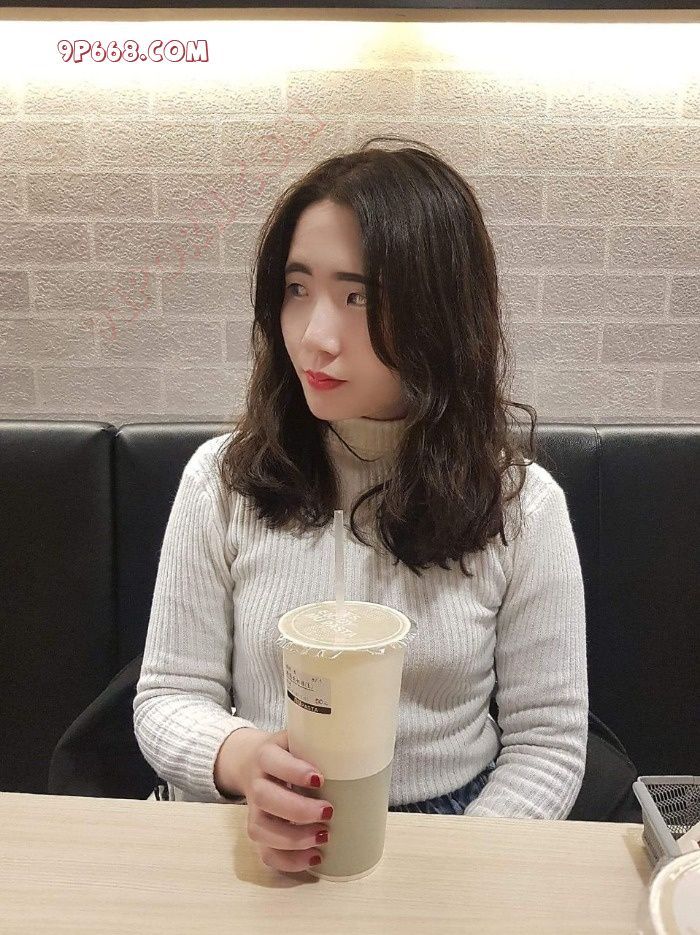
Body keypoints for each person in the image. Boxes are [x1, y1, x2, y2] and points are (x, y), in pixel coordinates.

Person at [133, 137, 588, 875]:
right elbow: (167, 696)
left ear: (441, 314)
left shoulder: (523, 506)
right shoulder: (222, 480)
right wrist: (244, 759)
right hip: (253, 819)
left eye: (359, 298)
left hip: (454, 828)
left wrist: (453, 870)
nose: (314, 337)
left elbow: (548, 747)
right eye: (297, 288)